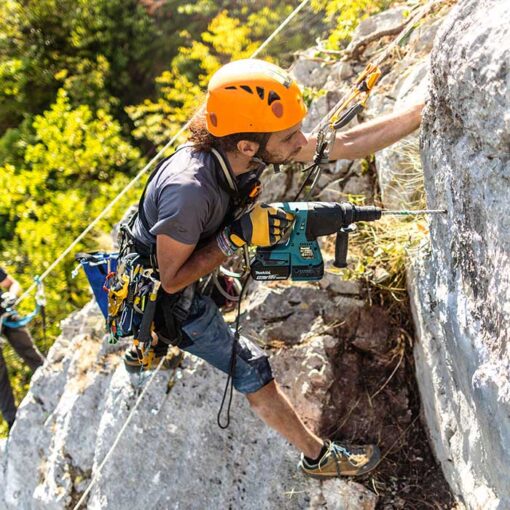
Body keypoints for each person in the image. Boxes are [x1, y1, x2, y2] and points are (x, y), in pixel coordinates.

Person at [122, 59, 424, 478]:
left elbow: (346, 142)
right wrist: (235, 238)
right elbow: (171, 280)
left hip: (188, 250)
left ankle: (148, 345)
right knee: (252, 370)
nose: (301, 141)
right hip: (165, 293)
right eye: (290, 136)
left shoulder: (249, 142)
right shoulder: (188, 191)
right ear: (247, 145)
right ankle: (319, 458)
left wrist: (417, 113)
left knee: (220, 290)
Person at [0, 266, 45, 430]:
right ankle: (12, 421)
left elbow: (12, 283)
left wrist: (11, 296)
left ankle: (48, 379)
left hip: (4, 313)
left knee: (28, 350)